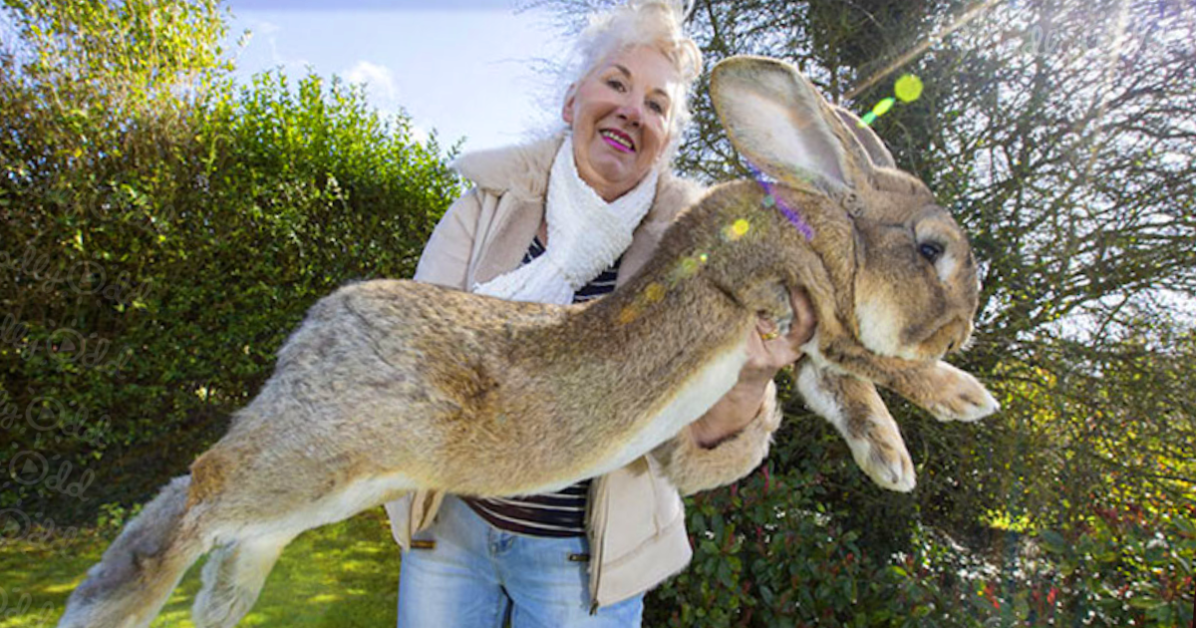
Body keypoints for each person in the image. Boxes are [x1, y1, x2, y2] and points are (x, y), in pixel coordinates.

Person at [383, 1, 816, 625]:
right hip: (450, 531)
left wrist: (749, 376)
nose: (631, 110)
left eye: (657, 105)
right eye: (616, 83)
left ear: (665, 142)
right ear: (570, 102)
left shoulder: (697, 260)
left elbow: (694, 447)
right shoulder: (483, 209)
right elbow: (409, 351)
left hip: (581, 567)